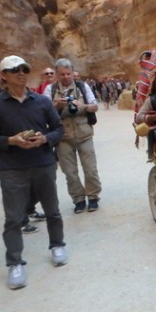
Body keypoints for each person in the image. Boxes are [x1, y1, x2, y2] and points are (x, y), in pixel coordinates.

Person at [0, 55, 67, 289]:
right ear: (3, 75)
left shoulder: (42, 101)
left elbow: (58, 129)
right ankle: (15, 263)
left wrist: (45, 139)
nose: (21, 73)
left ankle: (57, 245)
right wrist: (11, 141)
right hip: (13, 169)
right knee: (14, 218)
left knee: (52, 211)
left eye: (24, 69)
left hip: (43, 163)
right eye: (14, 69)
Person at [44, 58, 102, 213]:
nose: (66, 77)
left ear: (72, 72)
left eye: (68, 73)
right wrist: (57, 105)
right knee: (69, 172)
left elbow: (94, 106)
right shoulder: (50, 90)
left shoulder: (82, 87)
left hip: (84, 134)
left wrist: (82, 106)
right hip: (62, 137)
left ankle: (93, 196)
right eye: (62, 74)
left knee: (90, 169)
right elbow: (44, 112)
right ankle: (78, 199)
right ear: (57, 74)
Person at [0, 68, 41, 232]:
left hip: (25, 147)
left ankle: (29, 209)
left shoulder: (16, 95)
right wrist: (10, 140)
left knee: (36, 183)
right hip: (6, 151)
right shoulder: (1, 100)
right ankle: (20, 220)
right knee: (15, 186)